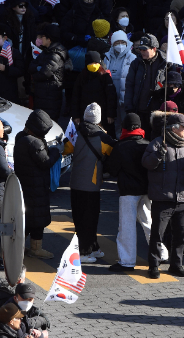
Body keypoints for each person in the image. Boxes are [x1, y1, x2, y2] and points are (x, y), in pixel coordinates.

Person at [105, 113, 166, 271]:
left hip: (128, 192)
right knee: (149, 222)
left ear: (124, 127)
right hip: (146, 190)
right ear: (139, 127)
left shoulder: (120, 146)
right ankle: (162, 254)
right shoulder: (147, 144)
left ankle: (127, 261)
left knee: (126, 227)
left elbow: (112, 170)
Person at [62, 103, 115, 262]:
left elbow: (65, 150)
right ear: (98, 119)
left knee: (80, 218)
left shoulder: (75, 134)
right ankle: (84, 252)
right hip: (92, 185)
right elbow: (113, 152)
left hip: (76, 182)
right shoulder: (103, 138)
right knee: (91, 218)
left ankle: (93, 247)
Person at [142, 113, 184, 279]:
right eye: (183, 127)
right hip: (162, 197)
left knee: (181, 234)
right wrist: (158, 155)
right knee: (157, 234)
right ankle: (153, 266)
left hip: (183, 197)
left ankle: (176, 265)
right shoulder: (158, 143)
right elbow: (146, 163)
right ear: (174, 128)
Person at [14, 110, 61, 259]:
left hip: (26, 185)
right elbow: (45, 162)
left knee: (26, 220)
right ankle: (36, 248)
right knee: (37, 219)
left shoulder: (21, 137)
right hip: (36, 187)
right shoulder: (34, 142)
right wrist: (56, 151)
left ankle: (18, 248)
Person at [125, 33, 171, 138]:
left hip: (158, 112)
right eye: (140, 49)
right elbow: (129, 85)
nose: (141, 52)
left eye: (144, 50)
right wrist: (129, 108)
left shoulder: (166, 63)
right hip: (139, 110)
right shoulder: (136, 63)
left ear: (154, 49)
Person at [32, 24, 67, 122]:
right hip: (43, 96)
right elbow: (31, 66)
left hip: (50, 98)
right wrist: (38, 68)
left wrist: (37, 69)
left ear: (49, 39)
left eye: (42, 36)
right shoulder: (46, 51)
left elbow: (43, 73)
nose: (41, 39)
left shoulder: (56, 54)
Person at [104, 30, 136, 130]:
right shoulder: (107, 57)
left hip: (125, 97)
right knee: (114, 122)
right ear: (113, 44)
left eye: (123, 42)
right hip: (111, 96)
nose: (120, 45)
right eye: (117, 42)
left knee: (125, 122)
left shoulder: (132, 58)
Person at [0, 24, 25, 104]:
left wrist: (5, 68)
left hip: (9, 93)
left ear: (5, 38)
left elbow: (20, 70)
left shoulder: (14, 52)